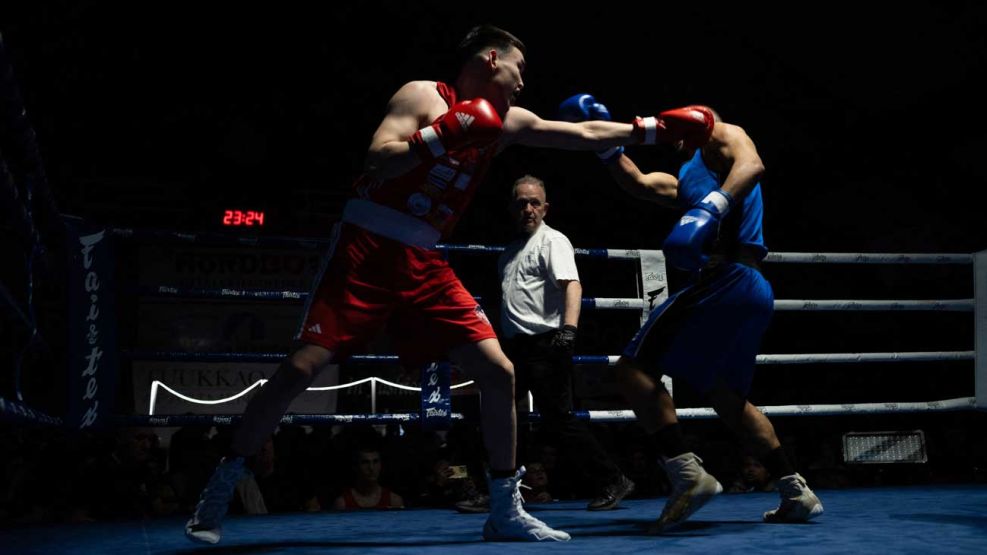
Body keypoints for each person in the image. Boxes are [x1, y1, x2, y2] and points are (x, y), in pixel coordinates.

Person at [185, 24, 714, 545]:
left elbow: (580, 134)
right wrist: (442, 134)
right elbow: (377, 160)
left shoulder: (505, 122)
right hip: (365, 248)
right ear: (490, 59)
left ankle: (505, 509)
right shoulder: (421, 95)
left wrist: (652, 130)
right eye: (519, 68)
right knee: (299, 369)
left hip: (424, 259)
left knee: (498, 370)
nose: (523, 82)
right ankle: (218, 494)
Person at [559, 94, 824, 532]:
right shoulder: (689, 176)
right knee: (727, 398)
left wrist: (710, 208)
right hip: (752, 289)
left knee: (632, 370)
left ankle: (687, 474)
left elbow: (752, 164)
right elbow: (641, 184)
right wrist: (604, 147)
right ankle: (796, 490)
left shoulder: (724, 137)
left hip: (724, 279)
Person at [496, 174, 634, 510]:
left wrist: (568, 331)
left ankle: (612, 479)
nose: (527, 208)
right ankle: (498, 490)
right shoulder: (511, 251)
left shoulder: (553, 241)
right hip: (512, 348)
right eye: (521, 202)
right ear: (512, 207)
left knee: (558, 418)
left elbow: (572, 285)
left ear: (545, 208)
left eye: (534, 203)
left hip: (545, 343)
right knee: (498, 415)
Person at [331, 447, 405, 510]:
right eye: (365, 462)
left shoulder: (394, 501)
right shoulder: (342, 503)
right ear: (355, 467)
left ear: (380, 465)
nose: (371, 468)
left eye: (375, 462)